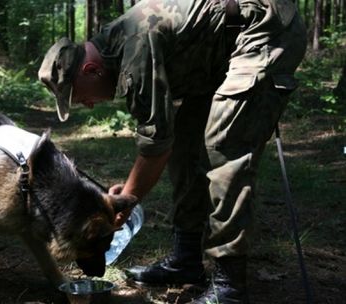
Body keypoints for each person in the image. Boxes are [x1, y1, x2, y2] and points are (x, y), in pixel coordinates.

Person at [38, 0, 306, 303]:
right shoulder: (118, 45)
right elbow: (166, 139)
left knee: (224, 145)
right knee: (185, 145)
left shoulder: (134, 46)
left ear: (90, 69)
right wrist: (129, 191)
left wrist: (124, 200)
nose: (87, 104)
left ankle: (229, 285)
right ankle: (187, 259)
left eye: (79, 96)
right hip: (217, 53)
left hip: (263, 30)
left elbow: (155, 144)